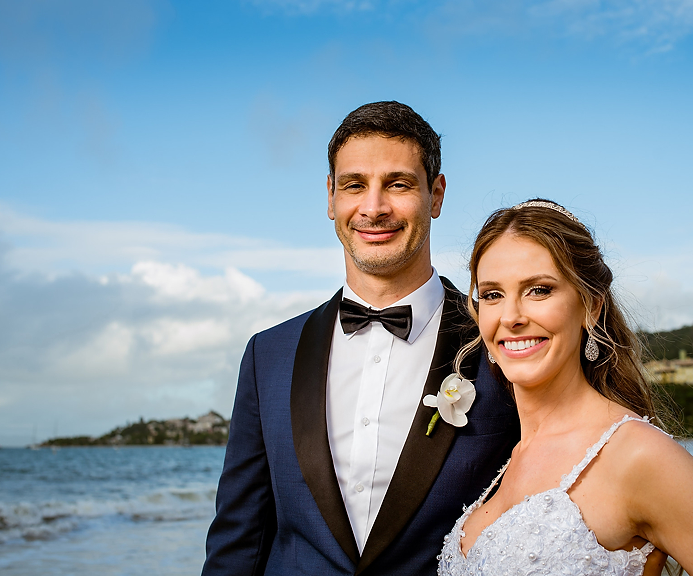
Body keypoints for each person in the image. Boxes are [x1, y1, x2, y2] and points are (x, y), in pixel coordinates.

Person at [201, 101, 522, 576]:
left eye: (398, 184)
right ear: (330, 197)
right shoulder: (267, 355)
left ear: (436, 195)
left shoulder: (503, 344)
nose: (373, 208)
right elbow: (238, 543)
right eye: (354, 185)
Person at [437, 199, 693, 576]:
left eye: (539, 290)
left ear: (590, 305)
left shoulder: (639, 455)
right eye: (492, 294)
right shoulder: (508, 457)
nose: (511, 317)